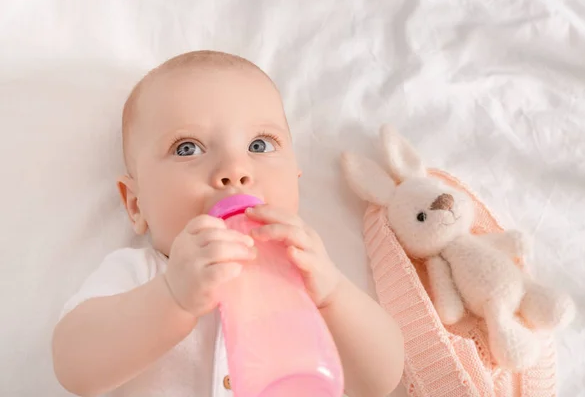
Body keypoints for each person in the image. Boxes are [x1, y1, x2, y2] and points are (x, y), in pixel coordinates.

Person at [52, 50, 404, 397]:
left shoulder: (306, 274)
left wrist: (332, 295)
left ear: (297, 180)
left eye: (260, 144)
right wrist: (173, 297)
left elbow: (380, 380)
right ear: (135, 204)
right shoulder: (140, 274)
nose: (235, 170)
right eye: (188, 148)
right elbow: (74, 366)